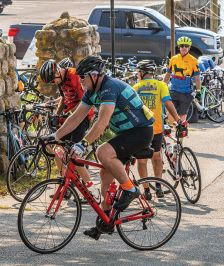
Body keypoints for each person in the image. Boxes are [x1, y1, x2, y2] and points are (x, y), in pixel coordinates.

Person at [44, 56, 154, 237]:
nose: (80, 81)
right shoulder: (91, 91)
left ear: (94, 75)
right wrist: (55, 135)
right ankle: (107, 222)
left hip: (141, 131)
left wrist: (84, 144)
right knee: (105, 178)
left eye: (83, 78)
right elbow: (76, 117)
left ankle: (130, 189)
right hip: (125, 133)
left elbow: (102, 122)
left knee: (102, 151)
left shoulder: (109, 88)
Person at [133, 60, 184, 199]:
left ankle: (147, 190)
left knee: (142, 161)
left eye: (138, 72)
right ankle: (159, 186)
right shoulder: (161, 85)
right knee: (156, 157)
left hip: (140, 130)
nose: (138, 74)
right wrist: (178, 119)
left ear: (142, 73)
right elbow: (168, 104)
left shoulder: (136, 87)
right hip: (157, 129)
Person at [39, 59, 92, 188]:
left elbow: (84, 101)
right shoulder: (60, 79)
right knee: (57, 149)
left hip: (82, 117)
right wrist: (57, 115)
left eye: (53, 80)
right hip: (70, 118)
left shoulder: (74, 76)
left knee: (74, 154)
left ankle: (89, 187)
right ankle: (65, 185)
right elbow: (63, 98)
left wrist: (69, 114)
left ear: (58, 71)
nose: (53, 82)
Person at [163, 36, 201, 122]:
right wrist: (162, 85)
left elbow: (197, 78)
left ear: (189, 47)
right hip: (173, 91)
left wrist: (199, 91)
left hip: (186, 93)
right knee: (170, 113)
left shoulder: (193, 60)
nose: (184, 47)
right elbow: (168, 74)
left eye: (186, 46)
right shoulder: (173, 59)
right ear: (179, 46)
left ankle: (181, 131)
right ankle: (174, 131)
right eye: (182, 45)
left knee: (182, 115)